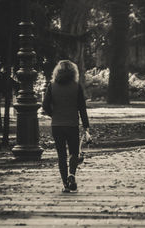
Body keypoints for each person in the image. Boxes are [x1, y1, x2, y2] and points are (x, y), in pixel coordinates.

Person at [42, 60, 91, 193]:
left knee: (61, 155)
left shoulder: (52, 86)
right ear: (73, 72)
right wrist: (86, 127)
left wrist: (54, 115)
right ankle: (72, 175)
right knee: (74, 153)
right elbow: (82, 108)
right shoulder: (76, 86)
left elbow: (45, 105)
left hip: (57, 126)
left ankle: (65, 184)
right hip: (72, 125)